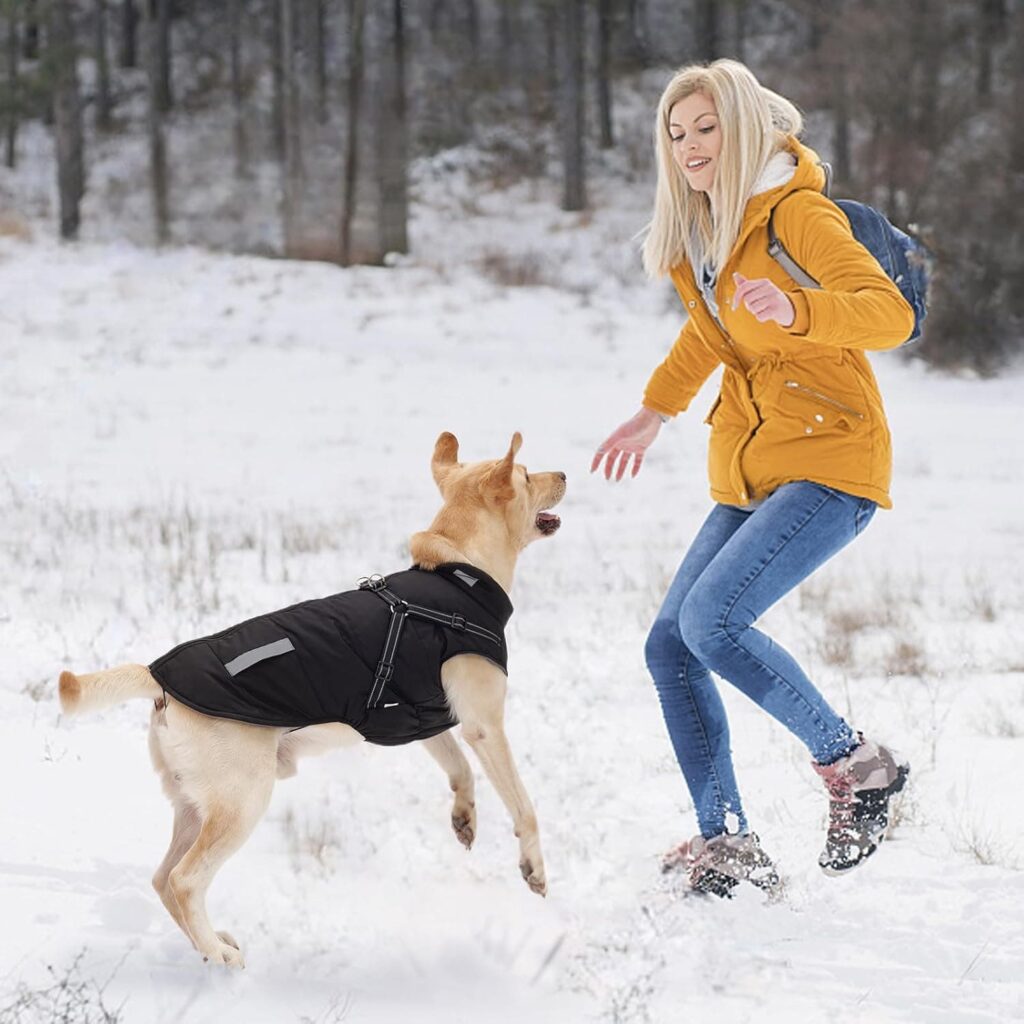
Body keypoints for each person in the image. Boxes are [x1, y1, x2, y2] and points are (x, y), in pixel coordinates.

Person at [591, 59, 911, 897]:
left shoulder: (795, 216)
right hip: (756, 465)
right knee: (672, 644)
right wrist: (654, 410)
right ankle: (726, 841)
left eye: (706, 128)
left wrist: (800, 309)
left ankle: (855, 763)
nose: (690, 146)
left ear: (742, 130)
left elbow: (888, 312)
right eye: (676, 134)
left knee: (713, 620)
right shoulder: (711, 235)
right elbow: (710, 337)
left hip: (832, 460)